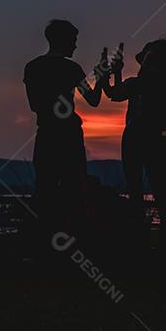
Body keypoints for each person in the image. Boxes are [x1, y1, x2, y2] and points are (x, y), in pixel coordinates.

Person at [23, 19, 107, 229]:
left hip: (45, 134)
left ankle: (44, 238)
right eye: (74, 40)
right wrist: (101, 77)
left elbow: (34, 105)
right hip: (69, 136)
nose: (76, 45)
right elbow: (94, 100)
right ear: (64, 40)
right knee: (74, 190)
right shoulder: (72, 69)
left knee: (45, 189)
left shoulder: (32, 67)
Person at [104, 38, 166, 240]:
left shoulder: (139, 84)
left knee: (136, 194)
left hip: (138, 141)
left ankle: (139, 240)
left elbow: (113, 94)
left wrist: (114, 72)